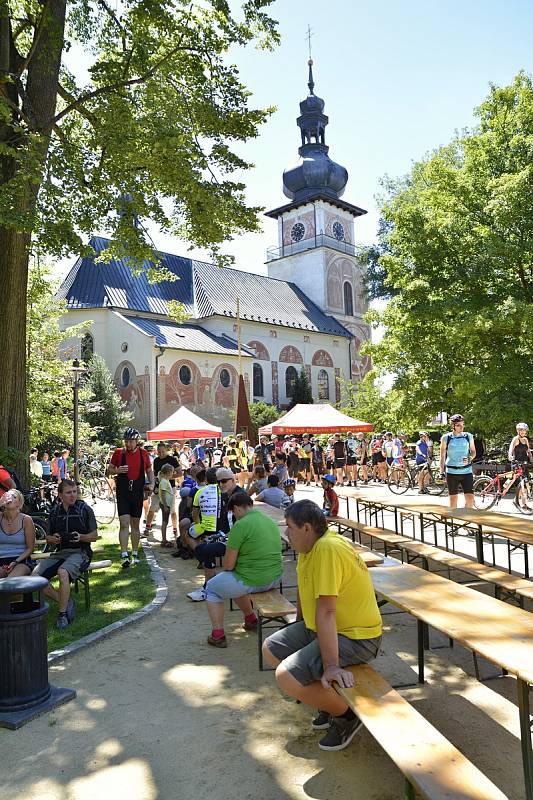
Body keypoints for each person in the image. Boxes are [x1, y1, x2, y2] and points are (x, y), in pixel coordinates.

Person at [262, 500, 382, 751]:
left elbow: (327, 612)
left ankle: (347, 716)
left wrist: (331, 667)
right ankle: (330, 702)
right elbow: (307, 599)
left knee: (286, 677)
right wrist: (297, 633)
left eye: (290, 528)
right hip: (324, 627)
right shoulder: (310, 548)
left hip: (356, 637)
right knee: (271, 648)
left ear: (306, 528)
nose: (286, 533)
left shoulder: (327, 549)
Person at [204, 492, 283, 648]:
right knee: (232, 580)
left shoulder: (240, 525)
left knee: (212, 588)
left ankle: (218, 635)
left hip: (253, 579)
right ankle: (250, 618)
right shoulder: (269, 520)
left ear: (236, 509)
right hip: (275, 577)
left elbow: (228, 565)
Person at [33, 480, 98, 628]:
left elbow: (94, 536)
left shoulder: (84, 509)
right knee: (34, 579)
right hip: (60, 552)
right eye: (69, 492)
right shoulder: (55, 512)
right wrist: (52, 539)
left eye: (75, 491)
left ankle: (62, 615)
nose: (73, 495)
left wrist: (81, 537)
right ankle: (67, 602)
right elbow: (47, 538)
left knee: (63, 572)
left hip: (81, 552)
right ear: (60, 494)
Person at [108, 428, 155, 568]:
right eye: (126, 441)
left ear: (136, 441)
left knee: (135, 524)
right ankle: (124, 555)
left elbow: (149, 470)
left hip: (137, 493)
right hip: (123, 493)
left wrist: (152, 483)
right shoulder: (118, 453)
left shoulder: (143, 453)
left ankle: (134, 553)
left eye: (130, 441)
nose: (128, 444)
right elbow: (108, 469)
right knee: (124, 523)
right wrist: (117, 470)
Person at [439, 414, 476, 509]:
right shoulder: (446, 438)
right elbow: (442, 455)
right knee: (453, 499)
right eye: (458, 425)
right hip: (452, 472)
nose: (462, 427)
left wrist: (470, 458)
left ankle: (466, 517)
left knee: (470, 499)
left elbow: (473, 452)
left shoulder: (468, 436)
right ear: (453, 426)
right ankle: (453, 521)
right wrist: (441, 471)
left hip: (466, 471)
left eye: (463, 424)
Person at [144, 442, 179, 539]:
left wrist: (167, 478)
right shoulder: (156, 460)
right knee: (152, 508)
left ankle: (175, 529)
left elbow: (180, 473)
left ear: (166, 450)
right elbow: (154, 474)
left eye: (163, 451)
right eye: (159, 452)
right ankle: (147, 527)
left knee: (172, 509)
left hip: (170, 487)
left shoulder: (172, 459)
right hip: (158, 487)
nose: (161, 454)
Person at [0, 489, 36, 578]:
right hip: (1, 561)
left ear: (19, 504)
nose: (10, 498)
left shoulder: (26, 520)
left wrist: (15, 562)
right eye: (8, 495)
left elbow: (30, 548)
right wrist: (0, 503)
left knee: (12, 582)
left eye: (14, 497)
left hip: (21, 560)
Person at [508, 422, 533, 510]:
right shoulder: (515, 439)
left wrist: (531, 459)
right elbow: (511, 449)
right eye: (521, 430)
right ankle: (519, 502)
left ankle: (523, 504)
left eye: (524, 430)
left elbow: (528, 451)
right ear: (518, 431)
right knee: (517, 481)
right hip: (517, 463)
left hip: (524, 463)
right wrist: (510, 456)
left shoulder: (525, 440)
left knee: (525, 483)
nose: (523, 432)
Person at [157, 463, 176, 547]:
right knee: (165, 522)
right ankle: (163, 540)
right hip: (166, 504)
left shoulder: (165, 480)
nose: (173, 474)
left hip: (167, 504)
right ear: (168, 472)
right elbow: (163, 494)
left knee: (166, 521)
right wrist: (165, 505)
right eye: (172, 472)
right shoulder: (164, 481)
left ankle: (164, 539)